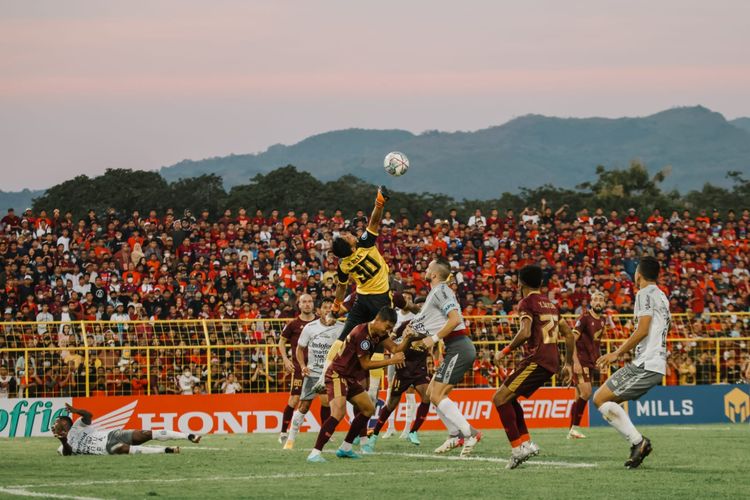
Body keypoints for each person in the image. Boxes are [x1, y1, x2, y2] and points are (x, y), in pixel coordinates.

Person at [493, 265, 576, 469]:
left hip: (537, 360)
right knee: (510, 399)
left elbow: (525, 332)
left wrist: (504, 351)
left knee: (499, 399)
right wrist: (568, 363)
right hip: (550, 361)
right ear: (541, 283)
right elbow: (568, 333)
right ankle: (526, 443)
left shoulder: (527, 302)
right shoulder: (551, 304)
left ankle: (517, 449)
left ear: (520, 282)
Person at [306, 307, 411, 463]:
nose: (387, 331)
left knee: (368, 408)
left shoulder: (378, 333)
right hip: (337, 374)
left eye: (390, 328)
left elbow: (395, 348)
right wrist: (391, 361)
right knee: (338, 412)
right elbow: (366, 364)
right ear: (378, 319)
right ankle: (315, 453)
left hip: (350, 376)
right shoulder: (362, 334)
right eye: (387, 327)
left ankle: (346, 447)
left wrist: (407, 338)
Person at [313, 186, 391, 392]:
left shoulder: (343, 264)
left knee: (343, 337)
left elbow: (341, 287)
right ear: (351, 246)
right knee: (380, 343)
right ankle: (374, 390)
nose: (351, 235)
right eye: (348, 237)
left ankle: (322, 378)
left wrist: (336, 305)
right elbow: (374, 221)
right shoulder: (364, 245)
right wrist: (379, 203)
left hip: (362, 301)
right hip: (380, 300)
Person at [595, 256, 670, 469]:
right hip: (649, 361)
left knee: (600, 399)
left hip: (647, 364)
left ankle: (639, 442)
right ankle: (638, 443)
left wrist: (616, 353)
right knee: (602, 399)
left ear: (639, 274)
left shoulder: (644, 293)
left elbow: (643, 329)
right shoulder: (662, 296)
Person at [409, 257, 482, 458]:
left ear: (434, 274)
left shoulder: (441, 290)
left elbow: (455, 319)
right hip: (454, 347)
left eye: (428, 267)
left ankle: (470, 433)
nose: (425, 268)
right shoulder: (438, 292)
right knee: (432, 392)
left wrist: (432, 339)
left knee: (437, 394)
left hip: (459, 346)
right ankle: (454, 435)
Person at [363, 314, 431, 452]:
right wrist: (395, 356)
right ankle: (374, 435)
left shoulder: (431, 326)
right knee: (391, 403)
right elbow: (391, 342)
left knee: (427, 397)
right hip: (404, 369)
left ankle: (413, 431)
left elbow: (434, 341)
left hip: (419, 369)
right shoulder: (405, 325)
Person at [284, 298, 344, 450]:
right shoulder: (310, 327)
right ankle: (290, 439)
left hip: (332, 374)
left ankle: (329, 437)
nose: (328, 310)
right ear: (319, 311)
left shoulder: (342, 328)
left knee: (335, 406)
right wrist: (303, 365)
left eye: (331, 308)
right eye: (325, 307)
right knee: (304, 406)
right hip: (313, 373)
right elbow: (299, 349)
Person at [53, 403, 200, 455]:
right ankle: (165, 450)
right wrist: (64, 442)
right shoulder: (61, 446)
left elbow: (88, 415)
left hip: (111, 434)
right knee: (123, 449)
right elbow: (67, 454)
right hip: (104, 449)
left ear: (65, 423)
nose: (54, 426)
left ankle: (188, 436)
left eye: (56, 422)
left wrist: (75, 409)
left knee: (145, 434)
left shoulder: (78, 425)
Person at [568, 291, 607, 439]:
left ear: (603, 304)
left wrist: (598, 360)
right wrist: (575, 362)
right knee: (587, 393)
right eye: (595, 299)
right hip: (580, 361)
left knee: (579, 396)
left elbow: (595, 344)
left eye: (600, 300)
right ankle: (575, 428)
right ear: (591, 302)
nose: (598, 302)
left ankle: (571, 430)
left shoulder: (602, 321)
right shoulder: (584, 318)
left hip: (590, 362)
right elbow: (572, 340)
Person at [277, 294, 316, 444]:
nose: (307, 304)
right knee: (294, 399)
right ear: (299, 305)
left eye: (309, 302)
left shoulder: (320, 322)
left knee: (326, 400)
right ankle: (283, 432)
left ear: (313, 304)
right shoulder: (293, 324)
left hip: (318, 368)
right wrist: (286, 359)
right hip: (300, 368)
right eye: (304, 302)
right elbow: (281, 342)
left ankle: (329, 434)